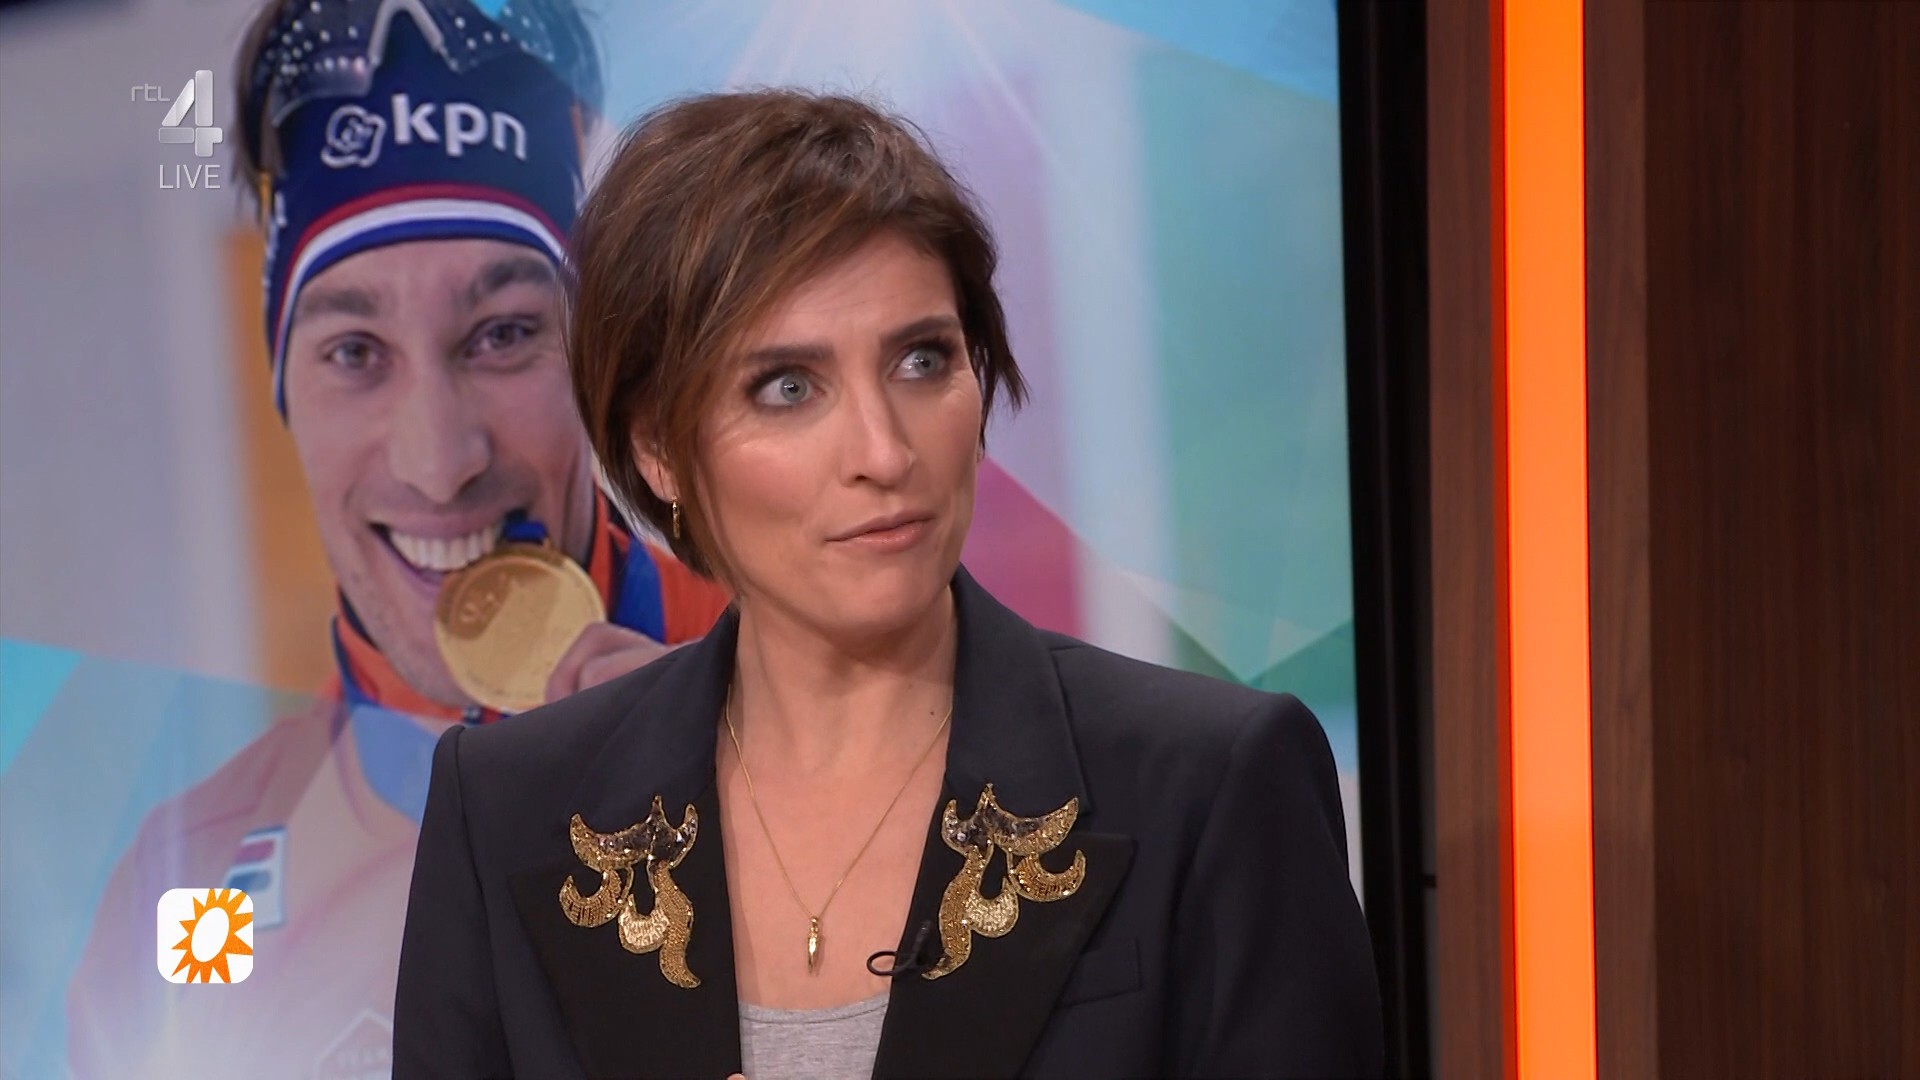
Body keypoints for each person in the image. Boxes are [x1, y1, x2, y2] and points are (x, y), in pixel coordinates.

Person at [393, 89, 1383, 1079]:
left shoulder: (1209, 783)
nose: (884, 451)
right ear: (655, 446)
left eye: (921, 360)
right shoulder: (508, 809)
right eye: (787, 387)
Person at [63, 3, 728, 1076]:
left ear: (598, 359)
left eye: (503, 333)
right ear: (285, 393)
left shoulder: (843, 718)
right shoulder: (191, 898)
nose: (437, 461)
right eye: (355, 351)